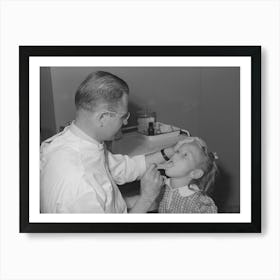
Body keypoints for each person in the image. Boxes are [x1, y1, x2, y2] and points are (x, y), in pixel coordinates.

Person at [40, 71, 177, 213]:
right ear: (103, 117)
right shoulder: (80, 184)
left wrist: (169, 152)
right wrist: (146, 199)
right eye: (123, 116)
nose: (125, 122)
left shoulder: (76, 140)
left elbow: (122, 168)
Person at [158, 137, 218, 213]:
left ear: (195, 173)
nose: (174, 156)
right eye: (177, 151)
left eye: (185, 155)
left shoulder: (198, 202)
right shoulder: (162, 184)